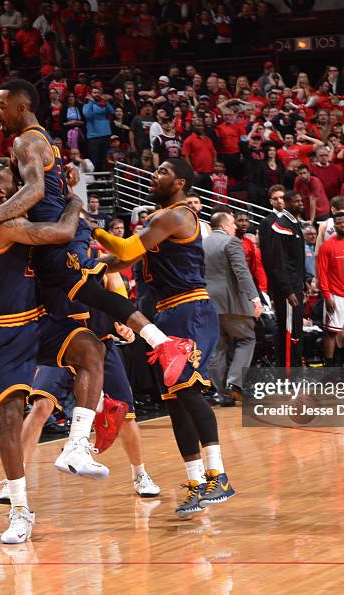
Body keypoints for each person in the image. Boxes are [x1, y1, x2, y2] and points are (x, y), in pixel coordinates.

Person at [0, 79, 193, 391]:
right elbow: (48, 188)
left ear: (21, 107)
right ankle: (109, 389)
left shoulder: (25, 142)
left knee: (92, 295)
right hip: (61, 233)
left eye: (1, 106)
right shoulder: (46, 141)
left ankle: (162, 345)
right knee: (82, 302)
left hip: (58, 234)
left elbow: (35, 190)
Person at [0, 165, 111, 543]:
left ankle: (76, 445)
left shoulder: (15, 215)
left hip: (39, 320)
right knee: (12, 417)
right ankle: (19, 510)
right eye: (14, 184)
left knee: (90, 351)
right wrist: (73, 200)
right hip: (5, 327)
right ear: (2, 195)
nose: (23, 188)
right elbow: (65, 231)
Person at [93, 158, 235, 518]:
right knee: (174, 401)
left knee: (186, 388)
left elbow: (124, 251)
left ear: (181, 182)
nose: (155, 175)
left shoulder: (177, 215)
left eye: (164, 172)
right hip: (166, 314)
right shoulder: (158, 220)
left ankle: (218, 474)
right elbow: (121, 263)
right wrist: (87, 267)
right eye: (155, 171)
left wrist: (87, 227)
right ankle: (196, 481)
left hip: (191, 310)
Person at [204, 211, 262, 406]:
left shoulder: (200, 243)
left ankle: (222, 395)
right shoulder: (232, 242)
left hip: (207, 303)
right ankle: (234, 383)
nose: (235, 226)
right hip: (232, 302)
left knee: (217, 348)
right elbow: (242, 272)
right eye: (232, 223)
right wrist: (255, 298)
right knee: (247, 339)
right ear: (222, 225)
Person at [267, 190, 306, 369]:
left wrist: (303, 284)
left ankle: (296, 370)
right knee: (289, 333)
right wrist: (288, 290)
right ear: (288, 203)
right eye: (297, 201)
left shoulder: (294, 223)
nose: (301, 203)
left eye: (301, 200)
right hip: (288, 289)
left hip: (296, 286)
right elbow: (278, 262)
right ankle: (289, 376)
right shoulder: (282, 225)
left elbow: (296, 261)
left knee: (296, 331)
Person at [316, 212, 344, 366]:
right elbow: (322, 274)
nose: (342, 225)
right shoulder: (327, 246)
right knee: (331, 332)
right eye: (338, 223)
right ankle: (329, 367)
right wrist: (327, 296)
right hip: (335, 295)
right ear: (334, 226)